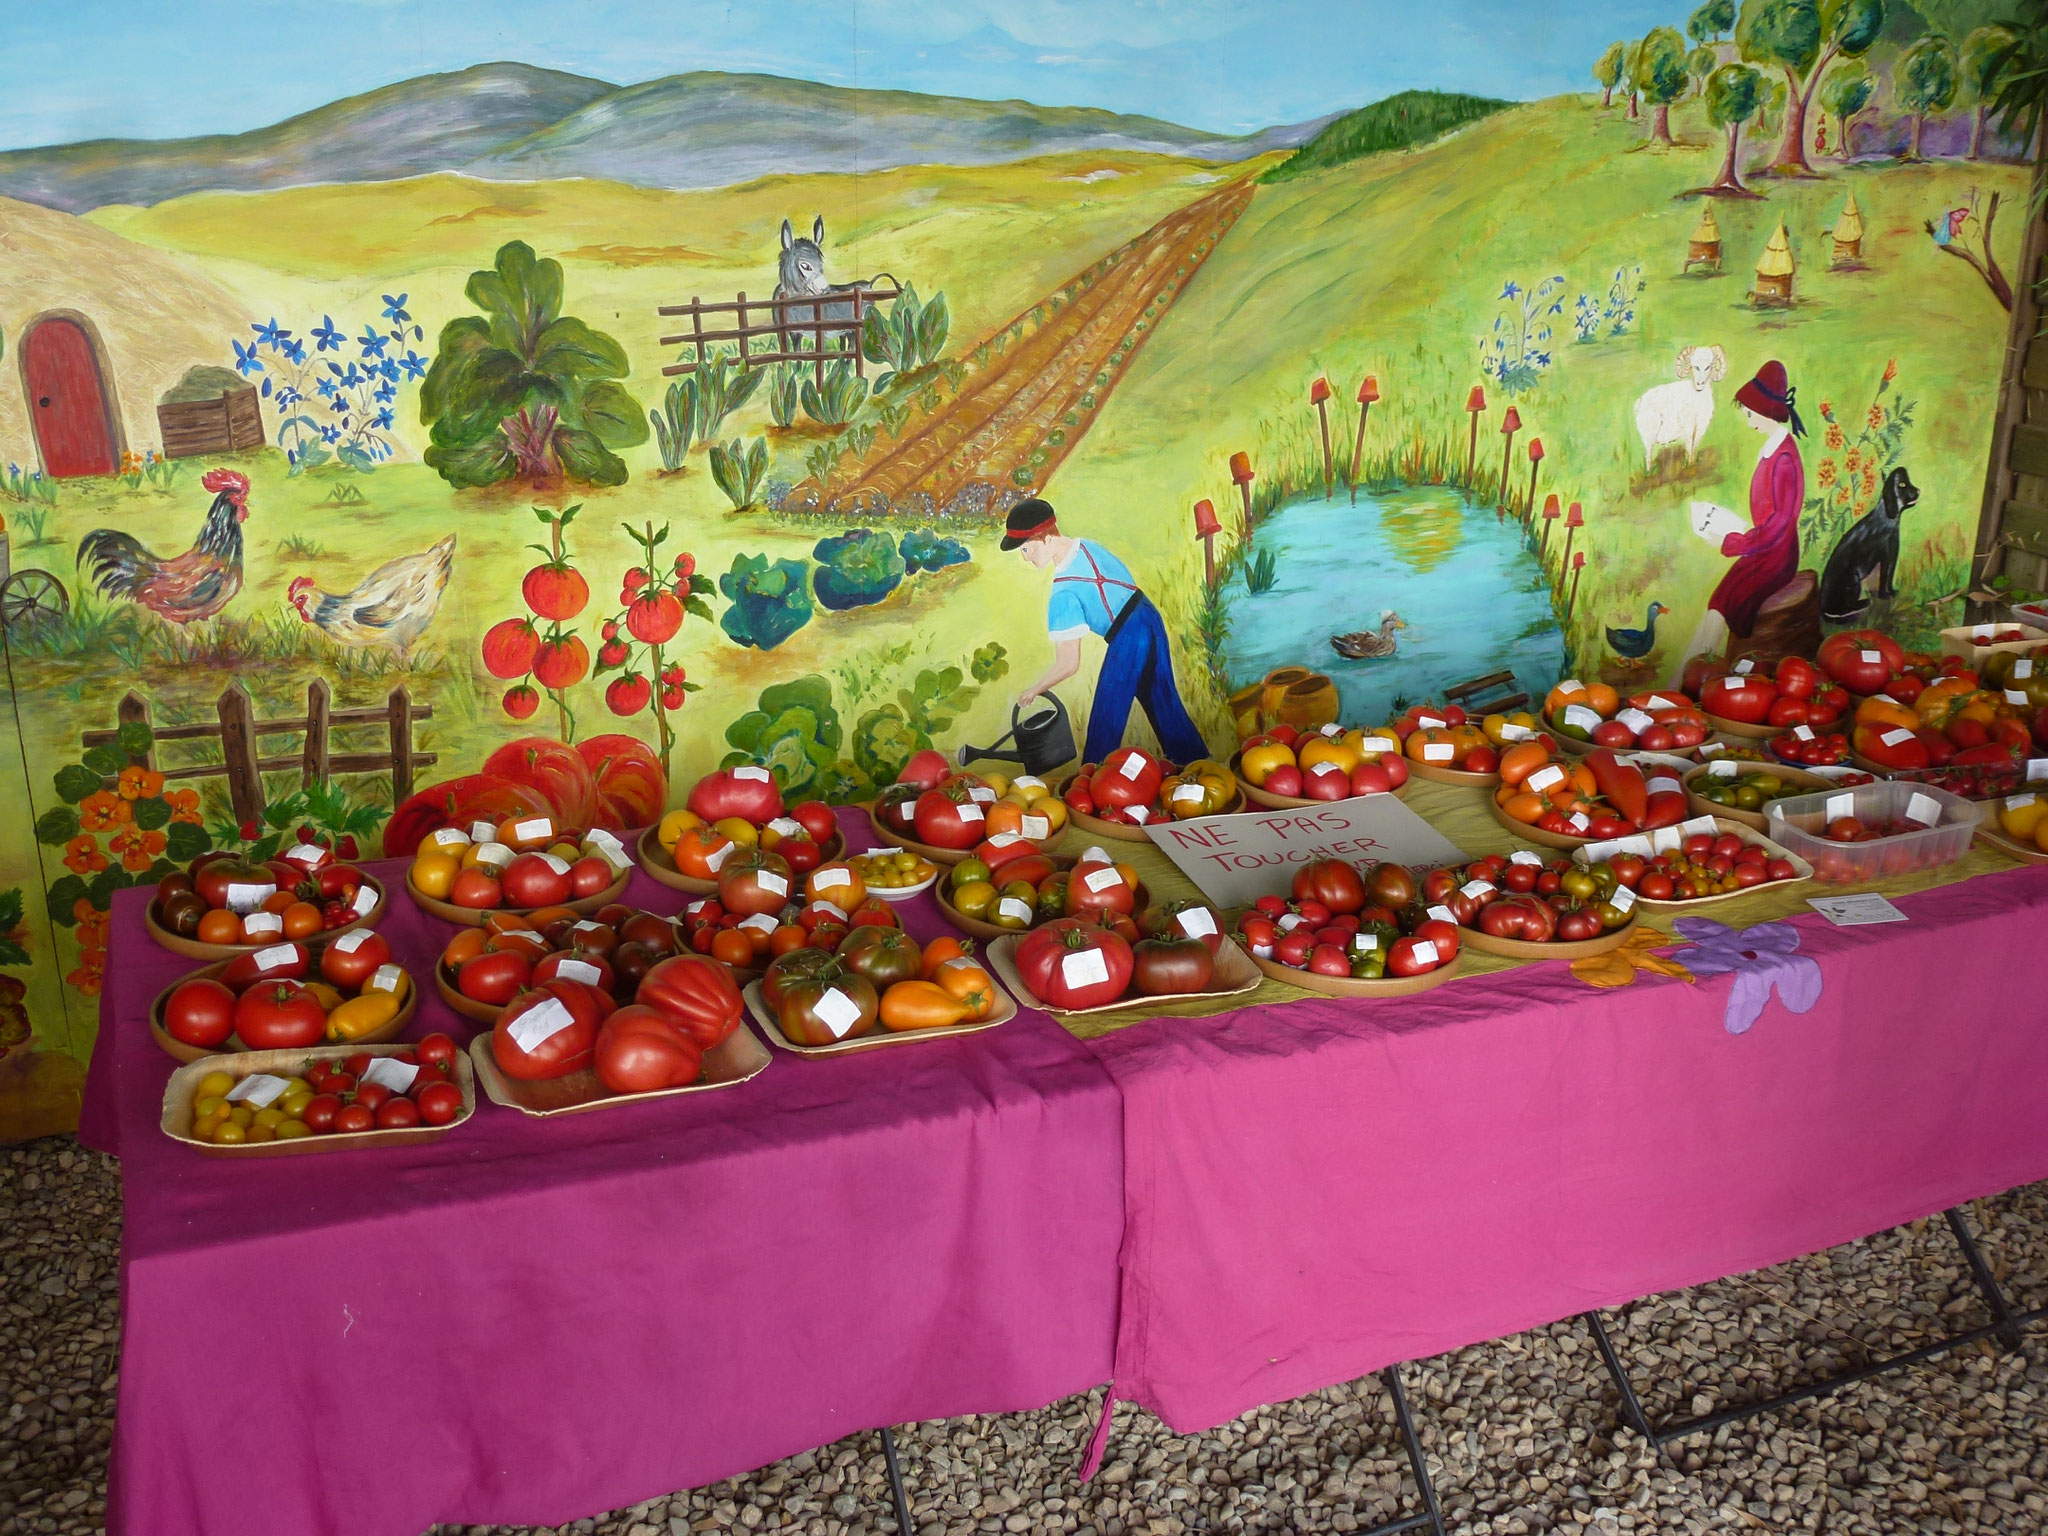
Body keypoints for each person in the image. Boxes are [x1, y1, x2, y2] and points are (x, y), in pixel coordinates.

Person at [1004, 497, 1209, 766]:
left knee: (1106, 716)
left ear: (1044, 538)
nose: (1025, 557)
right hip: (1149, 616)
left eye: (1026, 549)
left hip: (1129, 635)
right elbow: (1125, 582)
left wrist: (1036, 689)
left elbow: (1069, 663)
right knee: (1163, 702)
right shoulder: (1088, 547)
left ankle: (1091, 782)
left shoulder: (1062, 593)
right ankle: (1201, 766)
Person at [1672, 359, 1806, 679]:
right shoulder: (1774, 450)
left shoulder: (1784, 457)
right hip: (1764, 547)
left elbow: (1779, 524)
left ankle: (1693, 680)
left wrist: (1733, 541)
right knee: (1720, 599)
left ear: (1765, 411)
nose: (1747, 421)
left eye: (1749, 413)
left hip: (1776, 555)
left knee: (1727, 601)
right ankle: (1687, 678)